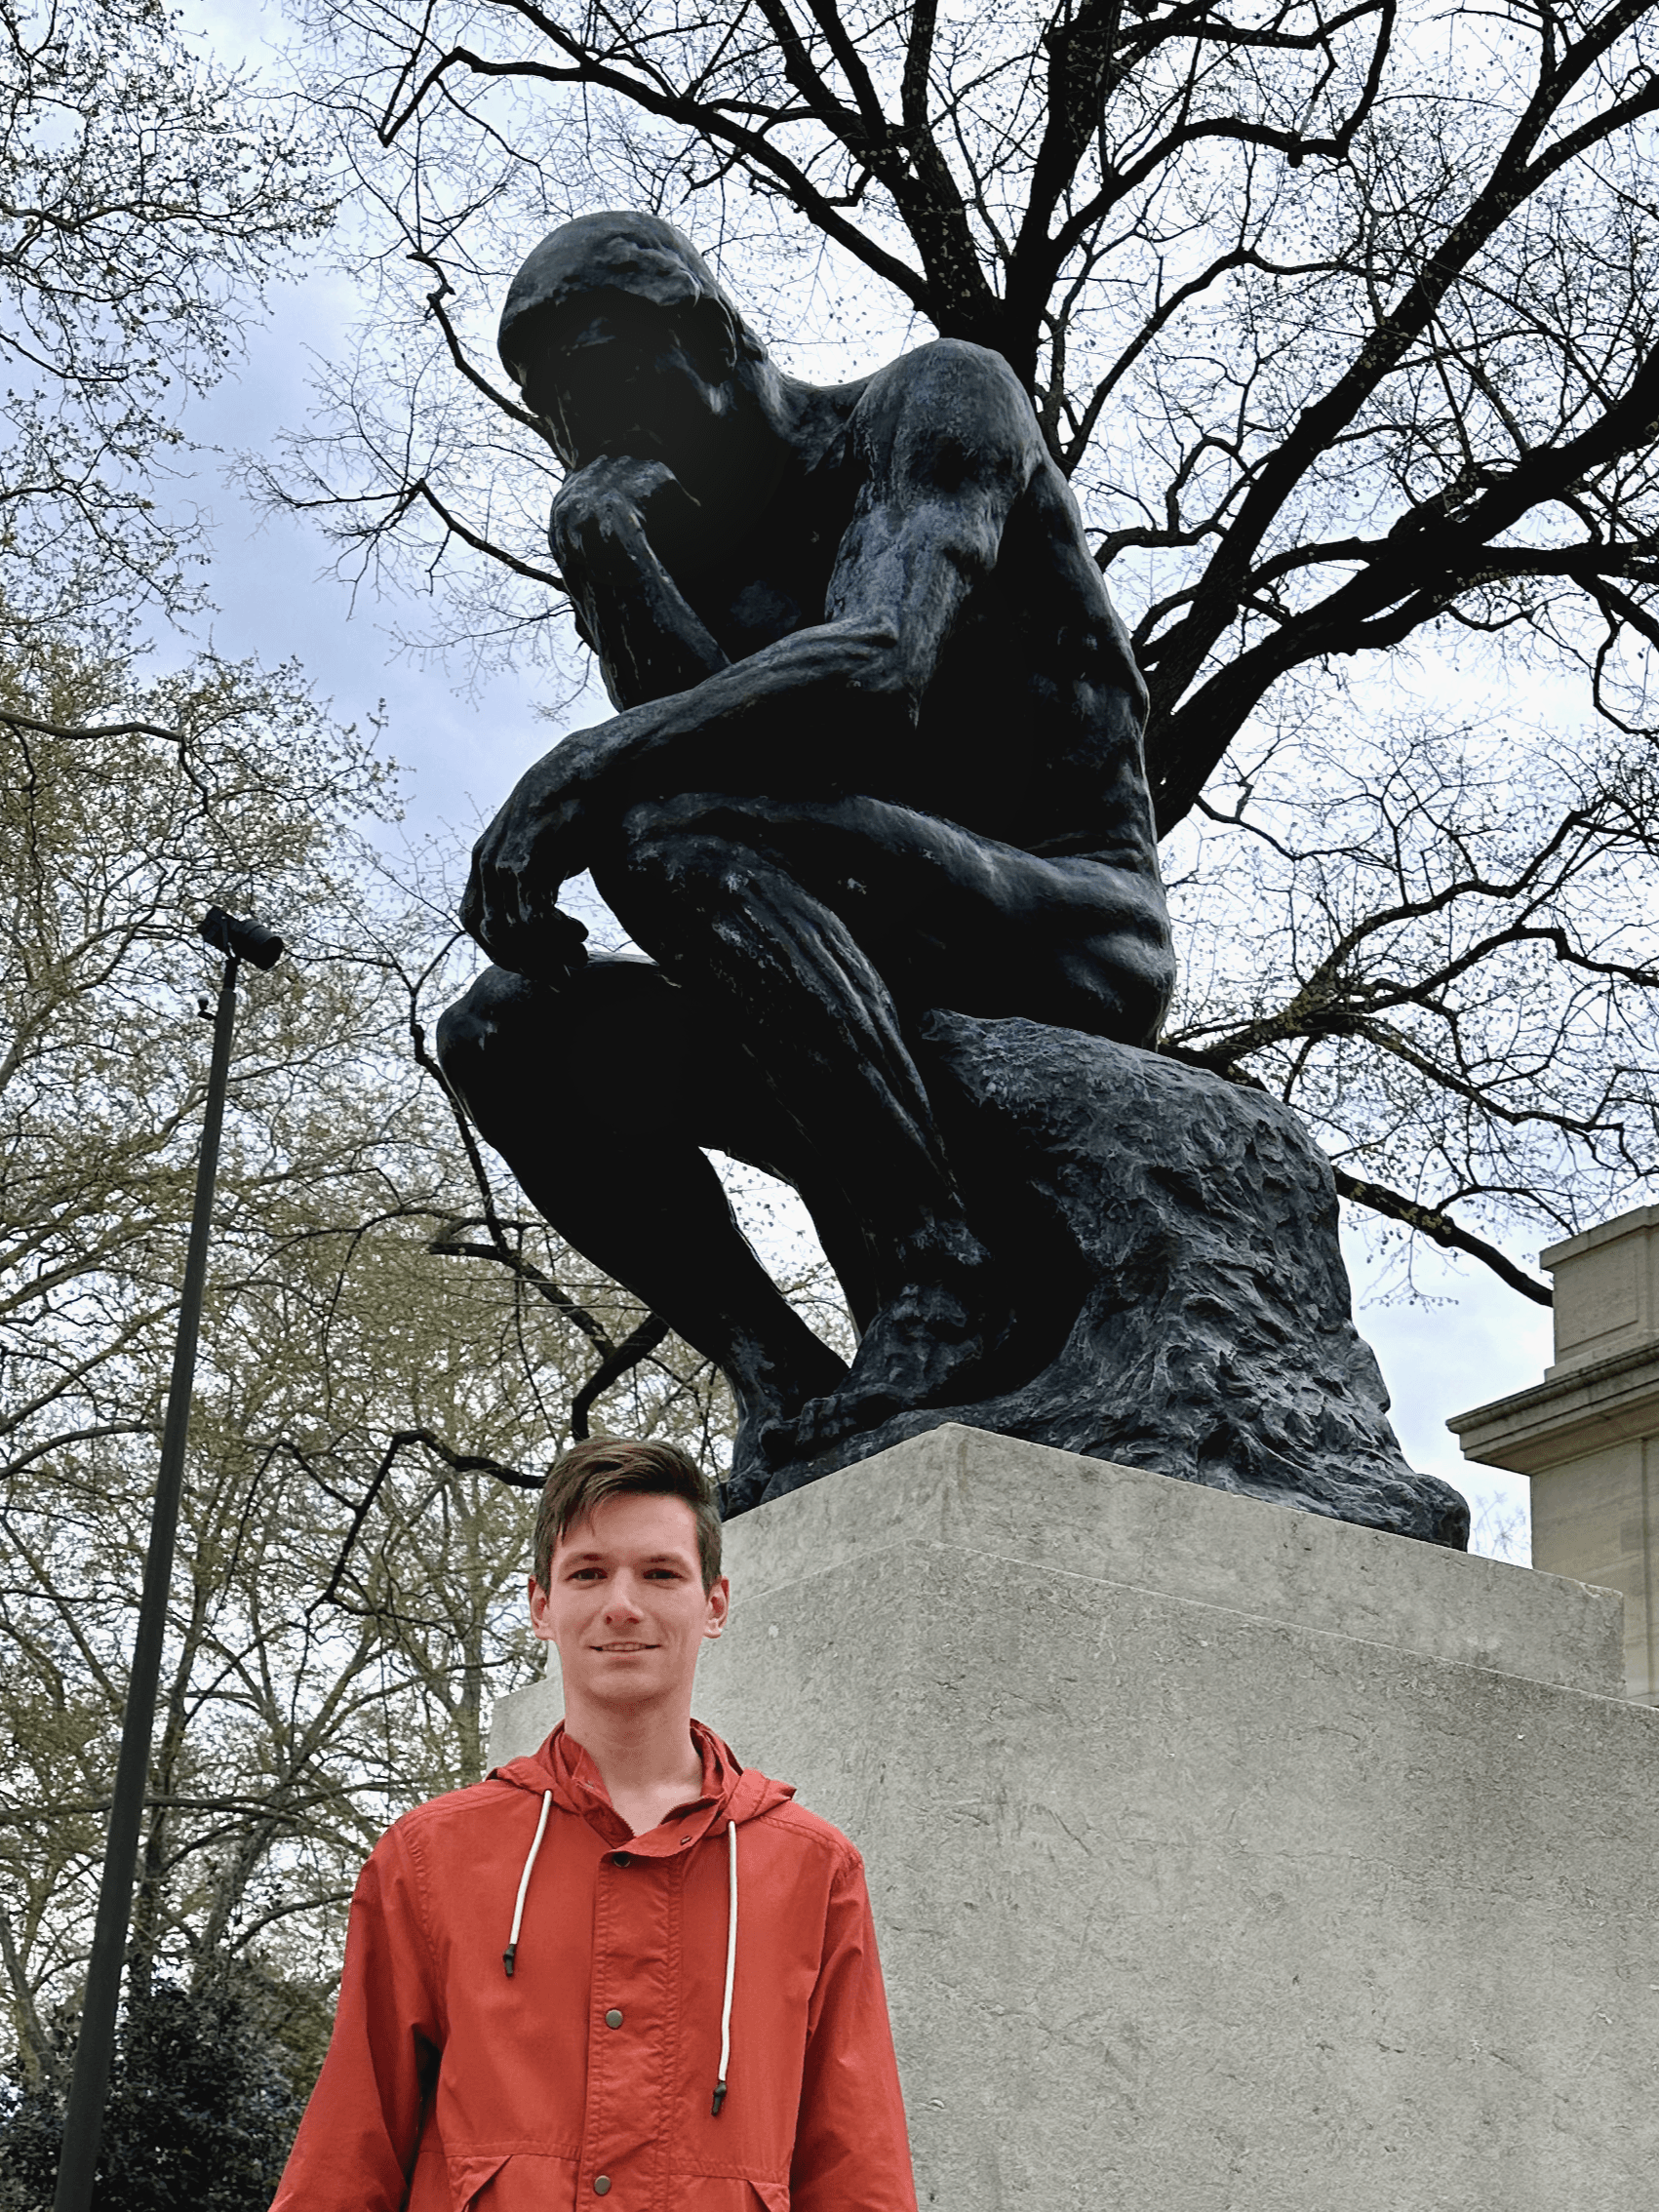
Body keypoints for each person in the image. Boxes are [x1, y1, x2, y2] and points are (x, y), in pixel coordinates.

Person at [437, 212, 1175, 1483]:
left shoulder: (931, 405)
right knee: (500, 1032)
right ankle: (781, 1376)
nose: (589, 433)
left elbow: (880, 667)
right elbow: (741, 774)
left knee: (657, 815)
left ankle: (938, 1286)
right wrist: (609, 564)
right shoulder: (681, 553)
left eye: (608, 378)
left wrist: (582, 766)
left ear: (715, 334)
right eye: (555, 415)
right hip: (852, 932)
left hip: (1064, 922)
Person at [269, 1437, 915, 2212]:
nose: (622, 1604)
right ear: (542, 1606)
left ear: (713, 1604)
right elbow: (351, 2146)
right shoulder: (431, 1857)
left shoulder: (812, 1868)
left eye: (659, 1573)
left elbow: (855, 2166)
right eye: (588, 1573)